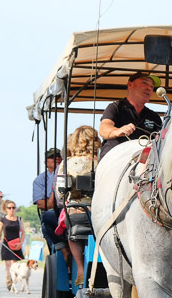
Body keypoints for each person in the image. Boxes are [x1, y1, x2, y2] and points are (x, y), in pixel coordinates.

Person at [55, 125, 101, 286]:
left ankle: (80, 268)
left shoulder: (67, 164)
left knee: (72, 233)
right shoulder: (102, 162)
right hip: (101, 213)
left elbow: (60, 194)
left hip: (77, 213)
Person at [98, 71, 162, 160]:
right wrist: (118, 131)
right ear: (130, 85)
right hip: (113, 161)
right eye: (144, 83)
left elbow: (161, 139)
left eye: (152, 86)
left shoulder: (154, 117)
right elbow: (103, 129)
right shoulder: (116, 107)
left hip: (141, 165)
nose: (149, 88)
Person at [32, 148, 69, 263]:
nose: (56, 158)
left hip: (69, 209)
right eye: (52, 157)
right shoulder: (40, 180)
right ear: (46, 162)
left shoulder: (69, 172)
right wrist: (55, 189)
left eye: (58, 156)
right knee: (47, 219)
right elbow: (41, 204)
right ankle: (62, 250)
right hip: (55, 213)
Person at [0, 200, 25, 290]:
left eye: (13, 208)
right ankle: (8, 280)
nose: (12, 210)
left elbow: (23, 233)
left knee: (15, 264)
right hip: (6, 244)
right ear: (5, 209)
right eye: (9, 208)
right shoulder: (3, 220)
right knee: (8, 264)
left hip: (16, 243)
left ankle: (14, 280)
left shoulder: (19, 219)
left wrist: (20, 243)